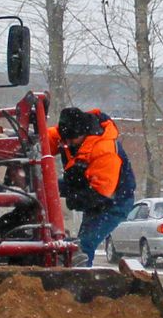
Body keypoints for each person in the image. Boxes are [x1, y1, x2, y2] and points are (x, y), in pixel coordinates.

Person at [48, 107, 137, 266]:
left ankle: (78, 281)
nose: (67, 144)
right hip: (85, 187)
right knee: (47, 185)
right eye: (64, 139)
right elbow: (45, 139)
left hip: (112, 202)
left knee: (84, 244)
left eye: (71, 140)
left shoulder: (104, 150)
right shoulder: (70, 133)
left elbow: (100, 193)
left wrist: (71, 200)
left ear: (83, 134)